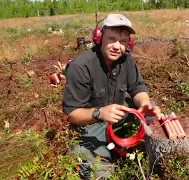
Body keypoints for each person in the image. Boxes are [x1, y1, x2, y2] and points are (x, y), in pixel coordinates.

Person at [62, 13, 161, 179]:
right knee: (99, 172)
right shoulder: (81, 66)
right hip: (90, 126)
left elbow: (137, 87)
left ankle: (155, 154)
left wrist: (144, 105)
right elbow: (72, 114)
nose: (117, 46)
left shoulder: (126, 60)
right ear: (100, 37)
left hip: (119, 113)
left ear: (129, 43)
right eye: (112, 39)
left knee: (154, 112)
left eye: (122, 41)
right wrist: (99, 113)